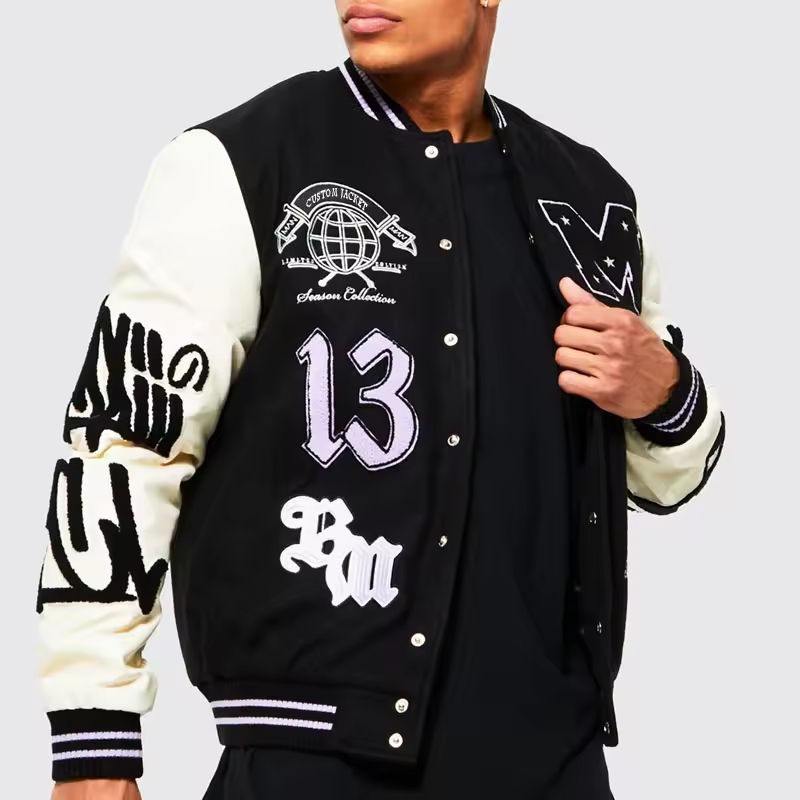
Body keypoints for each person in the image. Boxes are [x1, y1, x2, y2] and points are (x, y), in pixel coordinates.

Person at [38, 1, 725, 798]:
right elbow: (123, 447)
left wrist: (665, 392)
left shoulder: (589, 197)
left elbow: (667, 477)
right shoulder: (239, 164)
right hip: (313, 758)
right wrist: (94, 742)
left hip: (553, 759)